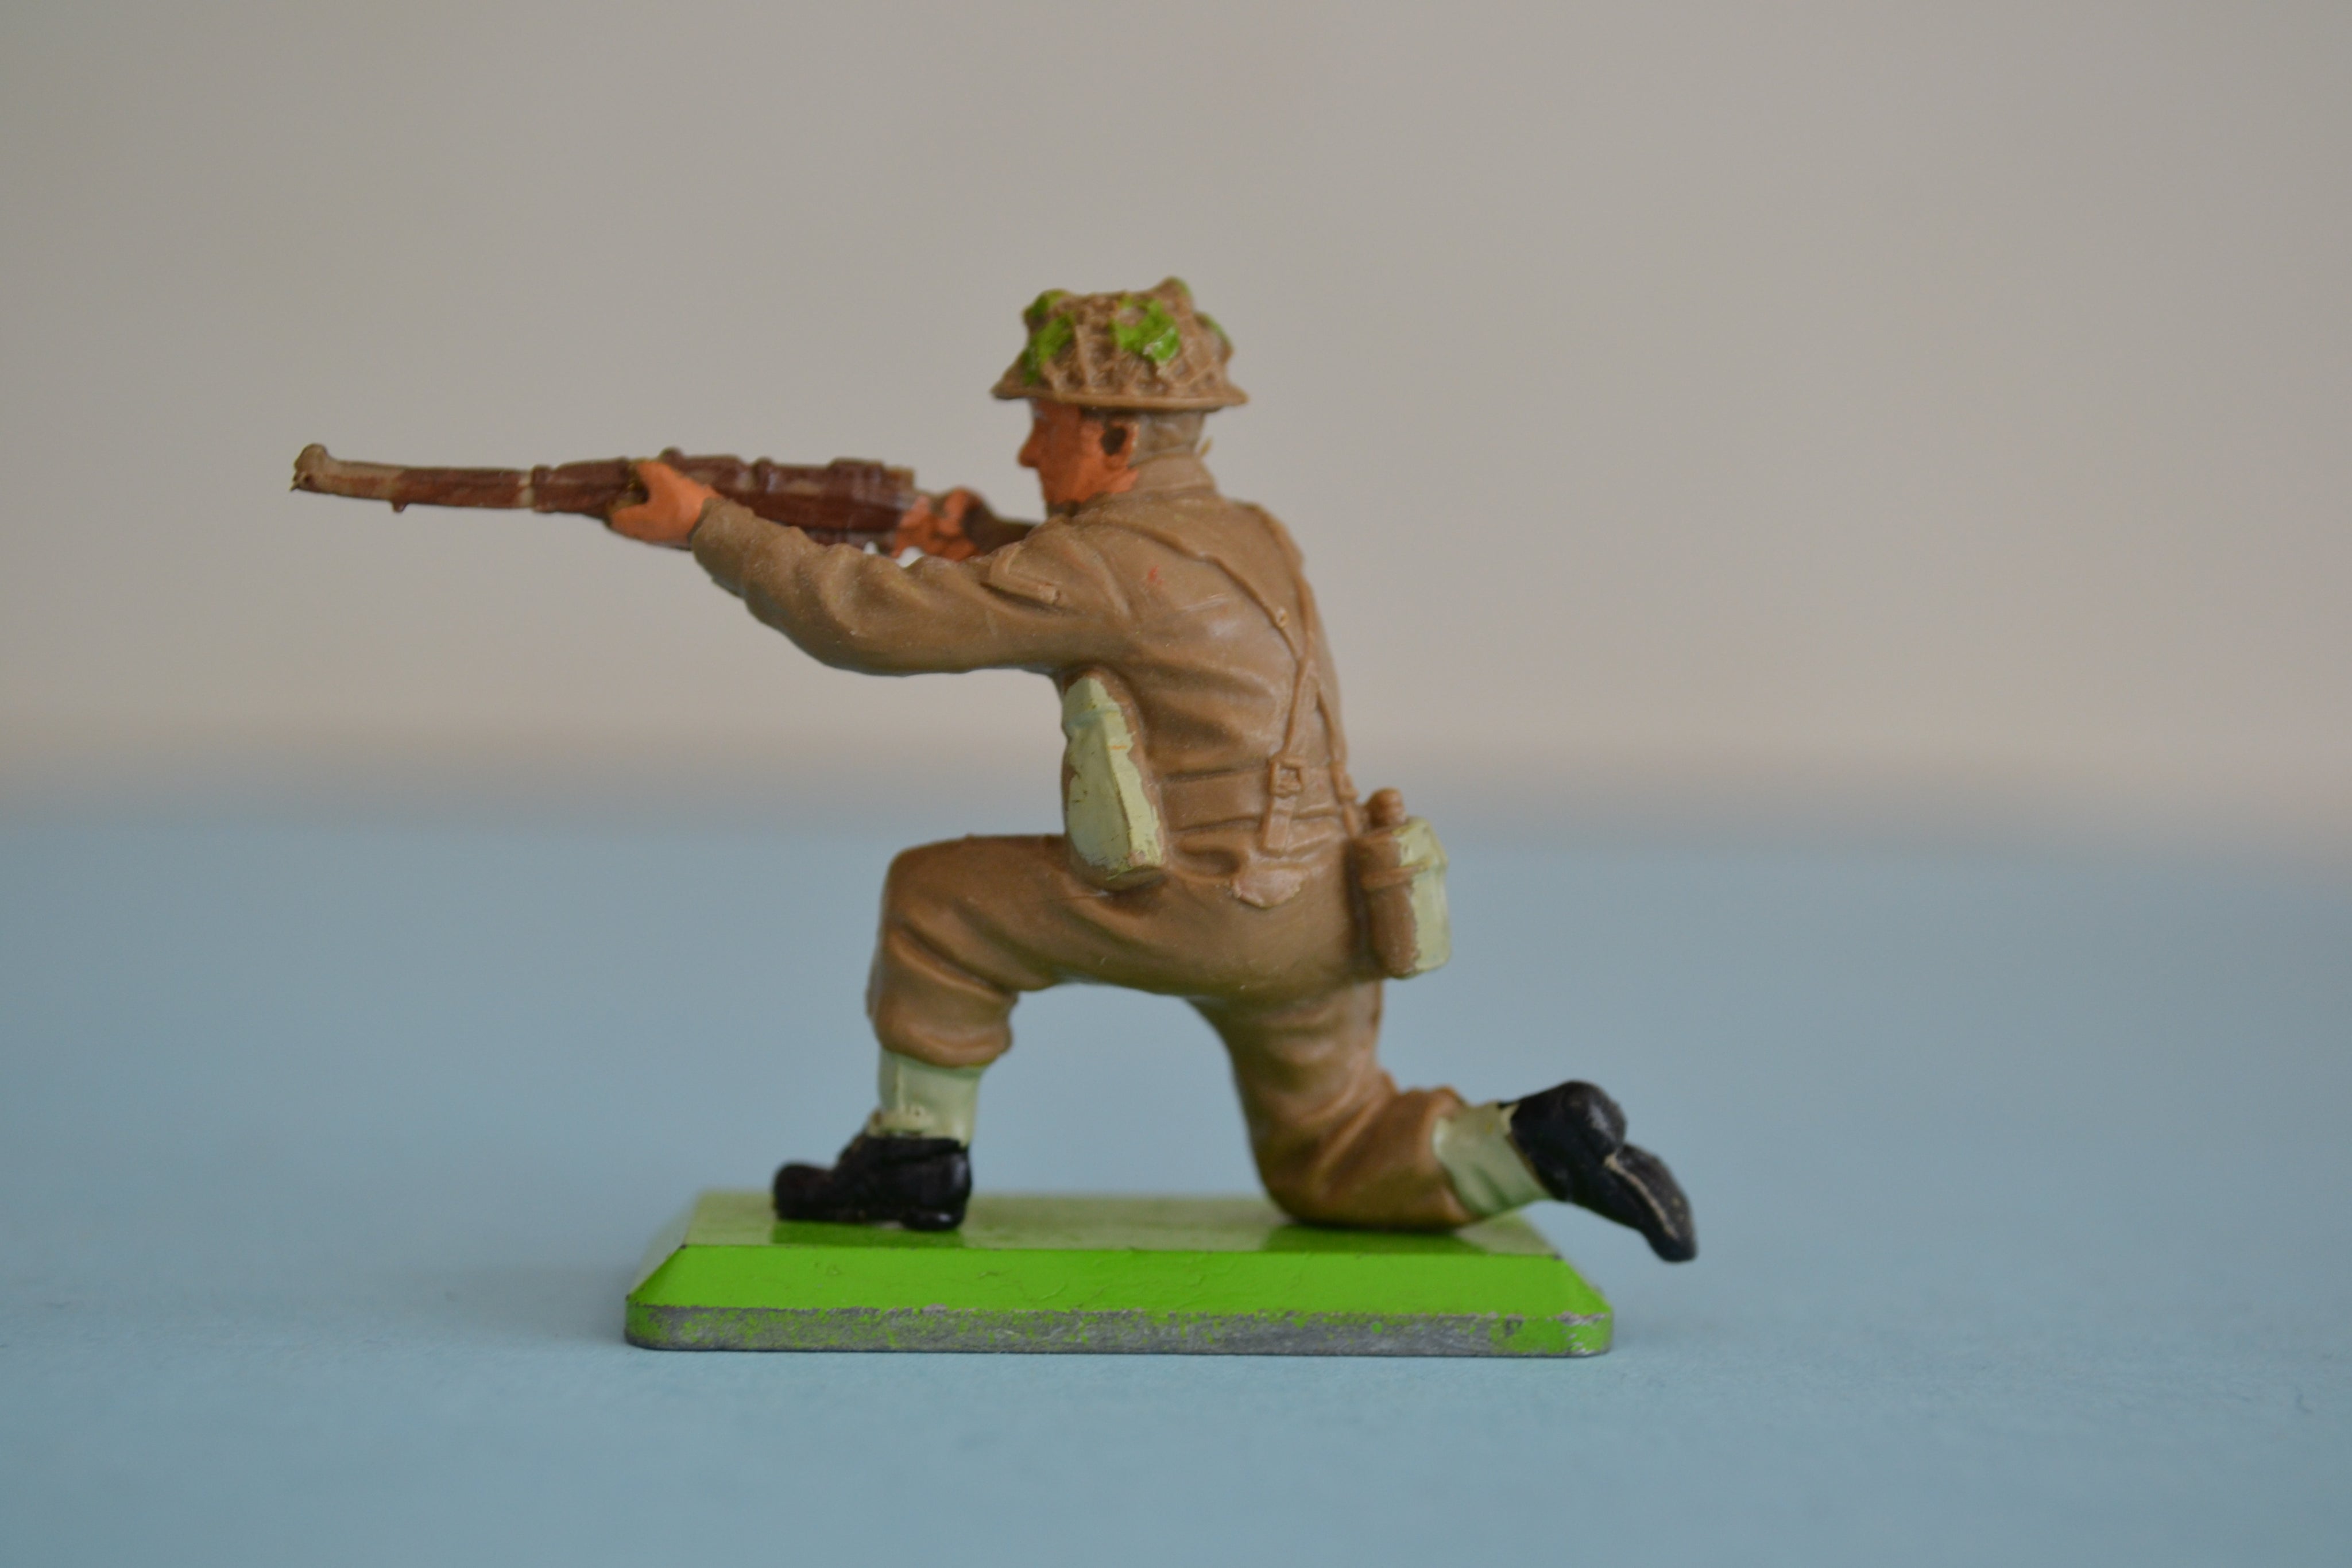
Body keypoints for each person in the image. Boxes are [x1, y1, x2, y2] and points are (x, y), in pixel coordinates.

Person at [606, 279, 1695, 1260]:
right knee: (1331, 1146)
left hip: (1207, 905)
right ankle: (1527, 1149)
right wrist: (993, 538)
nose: (1028, 455)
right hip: (1334, 909)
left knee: (935, 903)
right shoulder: (1254, 532)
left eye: (1045, 427)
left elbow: (872, 620)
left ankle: (911, 1163)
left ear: (1117, 436)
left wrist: (712, 528)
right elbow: (1133, 591)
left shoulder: (1089, 565)